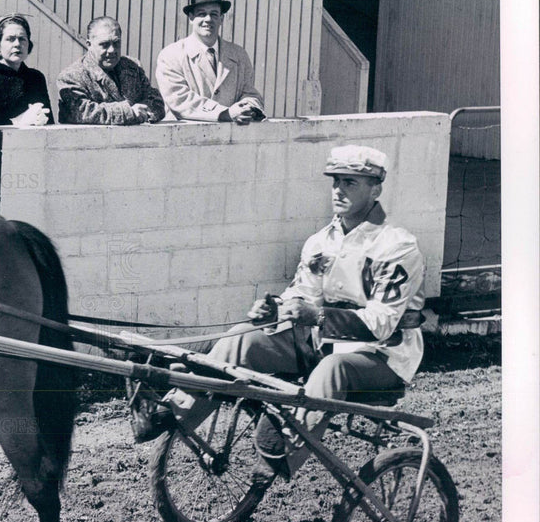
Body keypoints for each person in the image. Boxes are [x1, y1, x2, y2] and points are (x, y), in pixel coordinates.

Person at [147, 146, 427, 477]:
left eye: (350, 182)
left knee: (333, 369)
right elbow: (302, 294)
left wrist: (317, 316)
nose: (338, 190)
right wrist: (275, 310)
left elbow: (380, 325)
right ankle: (175, 412)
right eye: (335, 181)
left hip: (382, 357)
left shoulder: (396, 245)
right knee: (241, 338)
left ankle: (282, 451)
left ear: (375, 188)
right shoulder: (321, 241)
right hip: (321, 345)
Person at [155, 0, 264, 124]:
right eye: (202, 14)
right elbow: (180, 100)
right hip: (185, 140)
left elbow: (250, 93)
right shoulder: (170, 55)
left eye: (214, 14)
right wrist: (225, 113)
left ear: (221, 18)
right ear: (191, 18)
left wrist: (249, 108)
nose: (208, 19)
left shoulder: (239, 55)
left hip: (230, 140)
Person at [56, 16, 165, 125]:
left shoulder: (132, 67)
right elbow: (81, 112)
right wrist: (129, 112)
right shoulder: (71, 76)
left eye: (116, 43)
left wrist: (142, 112)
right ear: (89, 45)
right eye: (104, 45)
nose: (112, 50)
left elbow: (156, 102)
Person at [0, 14, 52, 127]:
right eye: (10, 39)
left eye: (22, 39)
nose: (17, 44)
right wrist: (19, 122)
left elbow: (50, 122)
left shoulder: (36, 78)